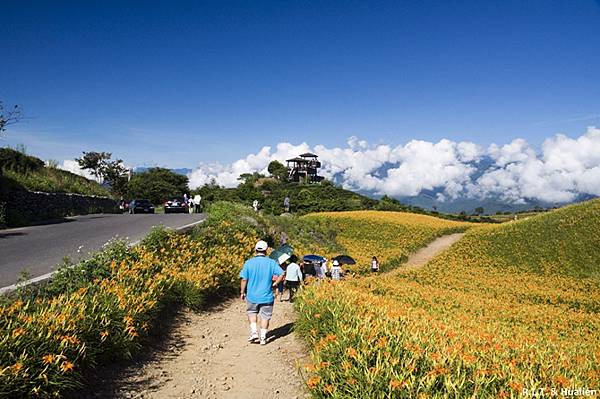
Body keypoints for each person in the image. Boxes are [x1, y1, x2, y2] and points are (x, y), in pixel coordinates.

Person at [240, 240, 284, 345]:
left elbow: (244, 279)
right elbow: (282, 273)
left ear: (255, 250)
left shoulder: (249, 263)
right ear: (266, 250)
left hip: (252, 295)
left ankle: (254, 332)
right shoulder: (271, 263)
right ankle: (263, 338)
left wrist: (242, 292)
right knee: (265, 316)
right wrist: (275, 283)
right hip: (267, 296)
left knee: (252, 312)